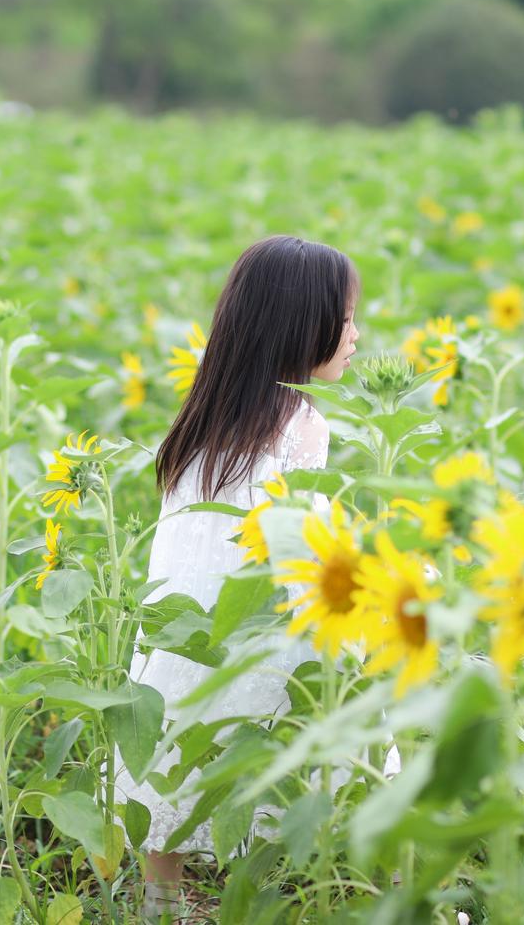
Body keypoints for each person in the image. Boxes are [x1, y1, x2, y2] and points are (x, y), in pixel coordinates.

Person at [112, 235, 374, 917]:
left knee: (174, 749)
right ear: (302, 324)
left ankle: (158, 896)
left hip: (181, 638)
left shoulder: (201, 420)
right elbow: (307, 541)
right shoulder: (302, 425)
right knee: (313, 742)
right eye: (346, 319)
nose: (356, 334)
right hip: (264, 629)